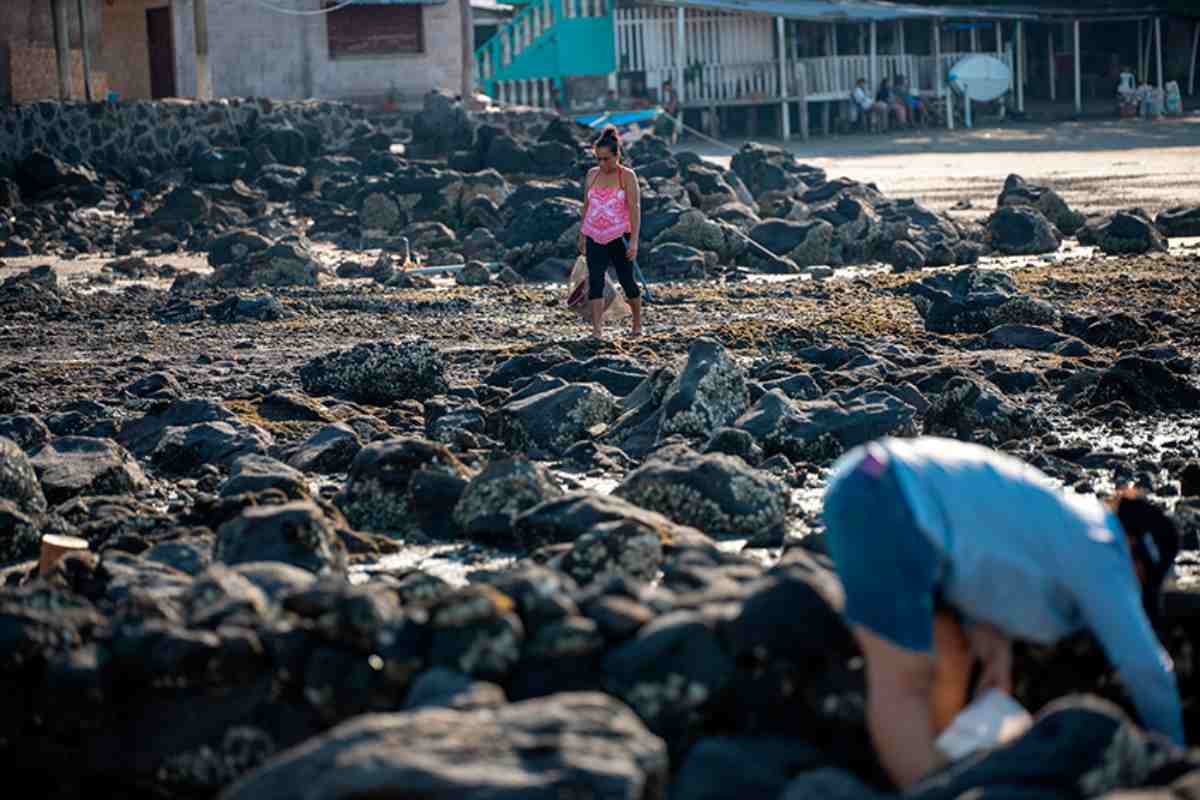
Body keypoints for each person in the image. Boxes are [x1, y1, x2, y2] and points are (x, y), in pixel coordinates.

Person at [822, 436, 1184, 791]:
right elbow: (1146, 670)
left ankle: (938, 766)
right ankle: (926, 788)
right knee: (905, 678)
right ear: (1136, 553)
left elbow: (993, 552)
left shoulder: (1069, 519)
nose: (1130, 600)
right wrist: (1175, 764)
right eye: (1139, 587)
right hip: (890, 500)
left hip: (877, 478)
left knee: (951, 656)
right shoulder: (1103, 550)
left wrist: (993, 636)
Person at [577, 124, 643, 340]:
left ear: (617, 155)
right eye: (598, 159)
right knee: (595, 281)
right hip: (595, 233)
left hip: (620, 236)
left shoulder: (627, 176)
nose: (602, 163)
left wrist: (633, 241)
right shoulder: (592, 175)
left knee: (627, 280)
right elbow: (586, 206)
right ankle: (597, 330)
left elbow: (634, 209)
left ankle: (636, 324)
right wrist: (582, 234)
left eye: (606, 158)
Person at [654, 78, 679, 145]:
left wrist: (669, 111)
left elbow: (673, 103)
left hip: (672, 112)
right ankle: (671, 141)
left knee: (672, 127)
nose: (664, 89)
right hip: (670, 112)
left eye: (665, 87)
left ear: (669, 86)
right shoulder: (670, 93)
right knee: (669, 127)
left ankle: (673, 142)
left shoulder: (673, 92)